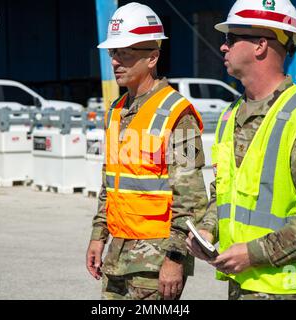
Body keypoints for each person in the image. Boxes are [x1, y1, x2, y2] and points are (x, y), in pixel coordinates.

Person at [186, 0, 296, 300]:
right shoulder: (230, 116)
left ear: (261, 45)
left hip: (288, 289)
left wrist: (254, 253)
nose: (223, 48)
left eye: (231, 39)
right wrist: (207, 230)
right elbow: (224, 194)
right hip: (244, 284)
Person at [86, 2, 208, 300]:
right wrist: (98, 236)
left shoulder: (176, 113)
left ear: (152, 57)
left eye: (125, 53)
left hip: (155, 263)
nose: (116, 62)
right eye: (113, 53)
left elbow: (191, 199)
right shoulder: (116, 110)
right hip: (118, 254)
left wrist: (175, 259)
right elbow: (110, 183)